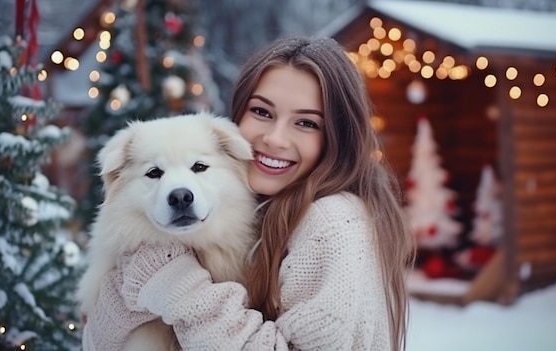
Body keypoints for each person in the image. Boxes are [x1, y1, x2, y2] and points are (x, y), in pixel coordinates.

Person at [82, 35, 415, 351]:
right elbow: (98, 341)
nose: (275, 139)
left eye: (306, 123)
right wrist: (132, 287)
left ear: (337, 137)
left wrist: (179, 288)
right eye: (262, 112)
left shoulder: (332, 222)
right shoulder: (261, 207)